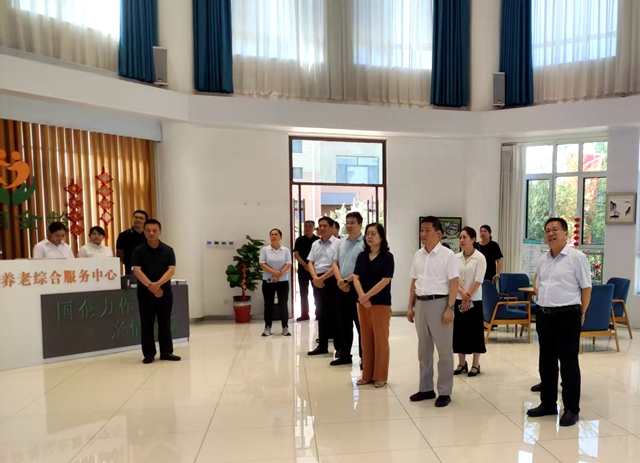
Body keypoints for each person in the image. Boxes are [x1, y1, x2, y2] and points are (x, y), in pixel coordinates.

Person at [527, 217, 592, 427]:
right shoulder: (543, 259)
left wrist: (582, 312)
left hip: (568, 315)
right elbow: (539, 282)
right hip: (544, 315)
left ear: (566, 233)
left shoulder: (576, 257)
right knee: (546, 363)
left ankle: (572, 409)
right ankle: (548, 403)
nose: (550, 234)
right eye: (547, 230)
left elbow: (586, 287)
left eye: (555, 229)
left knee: (568, 364)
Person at [407, 216, 459, 408]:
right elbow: (414, 281)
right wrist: (410, 306)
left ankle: (444, 391)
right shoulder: (418, 255)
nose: (423, 234)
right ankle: (426, 388)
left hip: (440, 303)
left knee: (444, 350)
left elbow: (454, 283)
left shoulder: (448, 255)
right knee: (424, 349)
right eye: (422, 230)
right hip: (421, 303)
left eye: (427, 230)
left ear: (438, 234)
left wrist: (450, 308)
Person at [131, 219, 180, 364]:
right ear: (144, 232)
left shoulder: (168, 250)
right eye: (148, 230)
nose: (151, 233)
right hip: (145, 292)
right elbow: (137, 270)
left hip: (164, 292)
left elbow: (171, 270)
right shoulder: (138, 250)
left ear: (160, 232)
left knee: (165, 321)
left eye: (154, 231)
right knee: (147, 322)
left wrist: (157, 285)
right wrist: (150, 286)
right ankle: (148, 354)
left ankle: (167, 352)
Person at [354, 223, 394, 388]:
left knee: (380, 340)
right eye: (368, 234)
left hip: (380, 303)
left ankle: (380, 376)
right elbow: (355, 277)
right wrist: (362, 297)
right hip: (362, 304)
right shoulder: (362, 256)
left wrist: (367, 295)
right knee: (366, 339)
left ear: (381, 237)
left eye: (373, 234)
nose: (369, 237)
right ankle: (367, 375)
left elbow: (385, 280)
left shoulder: (387, 257)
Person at [331, 212, 365, 366]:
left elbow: (363, 269)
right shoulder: (340, 243)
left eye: (352, 223)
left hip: (358, 288)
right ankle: (345, 355)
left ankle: (365, 357)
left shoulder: (365, 243)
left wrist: (345, 281)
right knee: (343, 322)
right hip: (341, 287)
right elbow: (335, 263)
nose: (349, 225)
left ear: (360, 225)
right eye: (347, 222)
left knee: (360, 323)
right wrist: (340, 281)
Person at [453, 227, 487, 377]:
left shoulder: (480, 258)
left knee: (475, 332)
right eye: (460, 237)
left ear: (473, 240)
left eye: (465, 237)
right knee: (459, 332)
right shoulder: (455, 258)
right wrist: (462, 295)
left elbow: (478, 280)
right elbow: (453, 279)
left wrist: (467, 297)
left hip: (475, 300)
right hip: (459, 299)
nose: (461, 240)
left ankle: (475, 364)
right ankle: (462, 363)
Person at [307, 216, 339, 356]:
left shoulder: (338, 243)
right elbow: (310, 262)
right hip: (317, 280)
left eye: (325, 226)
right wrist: (315, 278)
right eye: (320, 225)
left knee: (334, 313)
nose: (322, 228)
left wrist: (322, 278)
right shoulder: (315, 244)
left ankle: (339, 348)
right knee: (320, 312)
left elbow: (337, 264)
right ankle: (322, 345)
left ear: (332, 228)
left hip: (332, 279)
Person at [259, 229, 292, 337]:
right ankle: (267, 327)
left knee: (283, 304)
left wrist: (278, 275)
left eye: (276, 234)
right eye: (272, 235)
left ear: (280, 237)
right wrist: (274, 273)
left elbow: (288, 264)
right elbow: (262, 264)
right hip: (268, 280)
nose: (273, 236)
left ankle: (285, 327)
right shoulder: (265, 250)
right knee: (268, 304)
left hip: (283, 280)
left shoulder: (285, 250)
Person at [293, 220, 320, 321]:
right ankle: (304, 314)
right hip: (302, 270)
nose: (307, 228)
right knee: (303, 293)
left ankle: (318, 313)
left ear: (313, 228)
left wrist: (311, 266)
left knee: (317, 292)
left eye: (310, 226)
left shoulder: (318, 240)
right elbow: (296, 254)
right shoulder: (299, 240)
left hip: (315, 270)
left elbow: (320, 255)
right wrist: (305, 265)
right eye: (305, 226)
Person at [116, 210, 148, 275]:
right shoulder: (123, 235)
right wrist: (128, 262)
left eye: (141, 218)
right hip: (130, 270)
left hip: (147, 270)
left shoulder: (148, 235)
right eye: (136, 217)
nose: (138, 220)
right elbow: (119, 254)